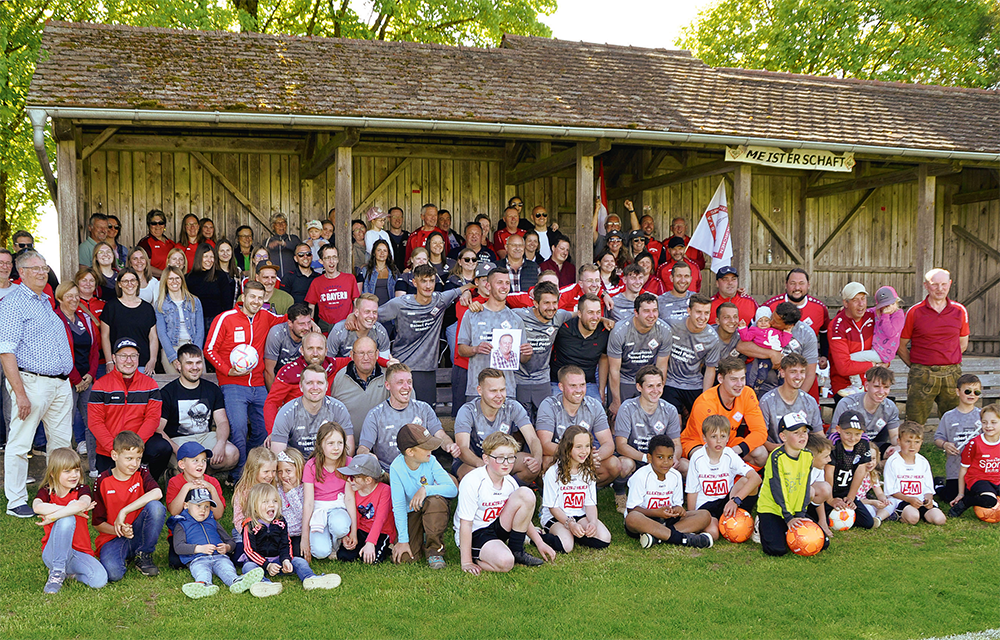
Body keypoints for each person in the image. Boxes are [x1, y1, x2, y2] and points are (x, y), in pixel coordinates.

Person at [0, 250, 74, 518]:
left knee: (61, 443)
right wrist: (19, 394)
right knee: (20, 443)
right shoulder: (13, 303)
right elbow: (6, 352)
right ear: (21, 272)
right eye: (36, 269)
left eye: (44, 267)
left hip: (59, 384)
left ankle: (59, 493)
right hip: (31, 383)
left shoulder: (45, 301)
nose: (43, 273)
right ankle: (16, 500)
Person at [205, 280, 287, 482]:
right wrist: (227, 370)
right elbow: (209, 349)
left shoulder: (266, 317)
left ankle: (251, 469)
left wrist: (307, 321)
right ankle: (238, 476)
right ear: (243, 297)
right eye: (252, 297)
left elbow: (287, 318)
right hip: (232, 384)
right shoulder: (226, 318)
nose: (256, 301)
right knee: (239, 427)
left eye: (260, 298)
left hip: (258, 384)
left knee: (265, 428)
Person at [456, 432, 556, 573]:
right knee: (506, 563)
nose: (506, 463)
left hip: (497, 526)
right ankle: (478, 557)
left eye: (510, 458)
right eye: (500, 458)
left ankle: (517, 550)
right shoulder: (472, 481)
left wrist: (540, 543)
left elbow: (524, 515)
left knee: (526, 494)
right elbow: (465, 523)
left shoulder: (509, 481)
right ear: (486, 459)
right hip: (476, 531)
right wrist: (466, 562)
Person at [377, 265, 470, 405]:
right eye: (423, 281)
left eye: (431, 281)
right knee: (402, 411)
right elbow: (372, 316)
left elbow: (465, 287)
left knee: (426, 413)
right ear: (414, 282)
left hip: (428, 369)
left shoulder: (440, 300)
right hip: (403, 366)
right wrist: (353, 318)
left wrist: (467, 291)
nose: (428, 285)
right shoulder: (400, 303)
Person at [241, 482, 341, 597]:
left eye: (275, 501)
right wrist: (267, 565)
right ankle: (263, 584)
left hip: (278, 561)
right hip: (258, 562)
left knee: (299, 561)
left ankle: (311, 578)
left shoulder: (280, 522)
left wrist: (286, 560)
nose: (271, 505)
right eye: (265, 502)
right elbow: (249, 550)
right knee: (248, 568)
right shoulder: (249, 525)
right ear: (254, 506)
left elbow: (286, 543)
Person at [89, 337, 169, 479]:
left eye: (133, 356)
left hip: (140, 442)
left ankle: (148, 483)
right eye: (123, 356)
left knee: (162, 448)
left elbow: (152, 419)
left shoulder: (150, 385)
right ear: (114, 358)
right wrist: (114, 449)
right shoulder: (100, 385)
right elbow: (95, 423)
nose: (129, 360)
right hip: (111, 448)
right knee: (108, 489)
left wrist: (136, 448)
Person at [899, 268, 970, 425]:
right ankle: (912, 449)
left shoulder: (960, 311)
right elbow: (901, 345)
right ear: (926, 285)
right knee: (914, 421)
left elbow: (963, 344)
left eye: (944, 284)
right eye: (935, 284)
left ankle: (953, 449)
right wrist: (916, 367)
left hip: (952, 374)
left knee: (955, 421)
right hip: (922, 375)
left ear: (950, 284)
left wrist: (947, 358)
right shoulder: (914, 312)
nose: (940, 289)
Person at [92, 430, 166, 580]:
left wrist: (124, 511)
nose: (134, 464)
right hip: (114, 536)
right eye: (129, 458)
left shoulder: (142, 472)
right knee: (113, 574)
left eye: (138, 458)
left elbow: (157, 493)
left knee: (156, 507)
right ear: (114, 456)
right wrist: (119, 530)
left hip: (140, 532)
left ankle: (144, 553)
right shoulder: (102, 481)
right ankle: (126, 553)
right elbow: (97, 524)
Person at [33, 448, 108, 593]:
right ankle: (57, 572)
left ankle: (70, 575)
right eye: (67, 471)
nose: (74, 475)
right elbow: (37, 507)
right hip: (53, 553)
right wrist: (70, 509)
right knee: (67, 518)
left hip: (78, 553)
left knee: (99, 580)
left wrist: (53, 516)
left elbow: (82, 504)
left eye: (76, 470)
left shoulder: (82, 489)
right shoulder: (46, 491)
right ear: (53, 473)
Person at [358, 363, 459, 471]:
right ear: (388, 386)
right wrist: (368, 455)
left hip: (422, 469)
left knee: (452, 484)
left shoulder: (424, 409)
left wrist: (450, 445)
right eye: (400, 382)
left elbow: (440, 435)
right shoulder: (376, 414)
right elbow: (363, 448)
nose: (406, 387)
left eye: (409, 382)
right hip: (388, 473)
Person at [536, 365, 624, 487]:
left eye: (582, 385)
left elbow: (608, 444)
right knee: (546, 462)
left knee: (614, 464)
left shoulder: (594, 405)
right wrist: (576, 455)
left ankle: (587, 492)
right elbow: (544, 445)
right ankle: (549, 496)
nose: (579, 390)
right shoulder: (549, 405)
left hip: (584, 457)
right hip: (561, 458)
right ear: (561, 387)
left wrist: (594, 457)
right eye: (573, 386)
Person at [157, 345, 240, 472]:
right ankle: (182, 472)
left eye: (198, 363)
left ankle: (203, 473)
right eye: (189, 363)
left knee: (232, 454)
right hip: (179, 440)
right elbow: (159, 429)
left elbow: (222, 421)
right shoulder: (168, 393)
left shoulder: (212, 389)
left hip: (205, 437)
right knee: (189, 462)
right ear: (178, 365)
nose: (195, 367)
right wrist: (178, 450)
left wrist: (221, 443)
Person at [756, 413, 829, 556]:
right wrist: (789, 518)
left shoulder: (807, 456)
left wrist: (800, 514)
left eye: (804, 432)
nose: (802, 436)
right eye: (796, 433)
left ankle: (785, 526)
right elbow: (778, 489)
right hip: (773, 509)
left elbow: (804, 487)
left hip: (794, 509)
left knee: (823, 543)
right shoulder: (776, 457)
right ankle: (760, 524)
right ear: (783, 437)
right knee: (776, 550)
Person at [453, 368, 543, 484]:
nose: (499, 395)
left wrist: (537, 459)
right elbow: (462, 448)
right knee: (474, 477)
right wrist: (484, 465)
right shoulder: (467, 411)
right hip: (474, 461)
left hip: (505, 458)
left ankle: (509, 491)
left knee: (530, 467)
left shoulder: (513, 406)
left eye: (502, 390)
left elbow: (532, 438)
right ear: (480, 391)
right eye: (493, 391)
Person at [170, 487, 262, 599]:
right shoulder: (181, 524)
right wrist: (200, 549)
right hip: (198, 559)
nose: (203, 510)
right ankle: (203, 585)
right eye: (198, 505)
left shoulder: (213, 522)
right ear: (186, 505)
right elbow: (178, 547)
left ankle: (236, 581)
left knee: (227, 569)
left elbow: (230, 541)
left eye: (207, 506)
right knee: (201, 571)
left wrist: (227, 548)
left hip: (220, 557)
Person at [624, 434, 713, 549]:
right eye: (660, 457)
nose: (666, 462)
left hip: (667, 521)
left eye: (670, 457)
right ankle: (683, 539)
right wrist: (656, 513)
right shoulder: (640, 476)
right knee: (632, 518)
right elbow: (632, 509)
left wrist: (678, 509)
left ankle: (657, 537)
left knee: (704, 515)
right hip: (645, 519)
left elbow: (677, 504)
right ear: (650, 458)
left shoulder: (675, 476)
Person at [389, 423, 459, 568]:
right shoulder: (396, 467)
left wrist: (426, 489)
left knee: (435, 501)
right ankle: (420, 537)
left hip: (431, 506)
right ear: (410, 452)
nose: (431, 450)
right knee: (406, 558)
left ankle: (435, 550)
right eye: (426, 447)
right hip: (411, 511)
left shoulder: (431, 461)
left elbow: (453, 490)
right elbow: (399, 506)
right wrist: (403, 540)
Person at [681, 356, 768, 469]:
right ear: (721, 379)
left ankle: (739, 481)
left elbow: (760, 432)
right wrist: (730, 454)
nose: (739, 384)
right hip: (699, 442)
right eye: (734, 379)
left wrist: (739, 449)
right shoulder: (705, 403)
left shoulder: (747, 393)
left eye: (742, 378)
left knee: (761, 454)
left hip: (729, 441)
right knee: (707, 462)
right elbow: (710, 442)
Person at [685, 415, 762, 540]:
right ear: (704, 438)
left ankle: (742, 515)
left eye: (723, 436)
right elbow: (692, 491)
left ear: (728, 438)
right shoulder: (698, 458)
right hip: (706, 505)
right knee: (714, 533)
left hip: (727, 500)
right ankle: (697, 537)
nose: (718, 441)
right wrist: (691, 516)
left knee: (748, 480)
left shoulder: (729, 454)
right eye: (713, 437)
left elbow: (756, 478)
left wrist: (735, 500)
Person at [458, 268, 529, 403]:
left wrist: (527, 353)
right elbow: (461, 350)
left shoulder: (515, 319)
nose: (504, 287)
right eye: (499, 282)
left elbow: (523, 359)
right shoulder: (472, 314)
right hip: (477, 389)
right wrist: (475, 349)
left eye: (507, 283)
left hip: (506, 390)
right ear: (488, 286)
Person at [539, 425, 612, 554]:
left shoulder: (587, 471)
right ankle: (537, 536)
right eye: (578, 447)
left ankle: (574, 535)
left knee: (604, 538)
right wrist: (570, 524)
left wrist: (593, 522)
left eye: (587, 446)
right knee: (566, 546)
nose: (584, 451)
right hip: (557, 516)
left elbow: (590, 503)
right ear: (567, 448)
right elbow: (553, 508)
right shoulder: (553, 472)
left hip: (579, 514)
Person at [54, 281, 100, 475]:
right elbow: (59, 351)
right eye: (69, 295)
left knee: (93, 424)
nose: (74, 299)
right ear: (60, 298)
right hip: (65, 380)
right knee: (64, 426)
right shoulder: (55, 319)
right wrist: (76, 379)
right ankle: (66, 471)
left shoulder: (84, 318)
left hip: (86, 379)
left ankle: (94, 467)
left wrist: (90, 375)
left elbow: (94, 349)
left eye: (76, 295)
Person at [513, 281, 573, 420]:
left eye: (554, 302)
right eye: (546, 303)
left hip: (543, 379)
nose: (551, 308)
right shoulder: (517, 315)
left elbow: (581, 314)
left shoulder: (559, 316)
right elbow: (495, 312)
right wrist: (477, 305)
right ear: (535, 303)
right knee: (519, 426)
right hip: (519, 379)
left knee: (545, 422)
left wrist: (603, 319)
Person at [263, 331, 350, 426]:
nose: (315, 353)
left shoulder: (332, 365)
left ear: (326, 351)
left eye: (319, 348)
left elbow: (360, 360)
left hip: (326, 425)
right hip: (297, 426)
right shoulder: (289, 372)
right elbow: (271, 403)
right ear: (302, 350)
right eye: (310, 348)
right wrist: (272, 432)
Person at [608, 293, 672, 415]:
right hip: (624, 378)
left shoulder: (664, 330)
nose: (651, 315)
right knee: (618, 417)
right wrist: (616, 401)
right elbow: (614, 370)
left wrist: (657, 391)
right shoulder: (620, 331)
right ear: (636, 313)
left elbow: (662, 366)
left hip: (648, 379)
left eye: (655, 311)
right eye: (646, 311)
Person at [270, 365, 354, 458]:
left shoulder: (338, 409)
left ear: (326, 386)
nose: (315, 387)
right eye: (309, 383)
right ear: (301, 386)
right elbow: (278, 455)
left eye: (320, 383)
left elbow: (348, 450)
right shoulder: (287, 412)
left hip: (329, 464)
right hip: (297, 466)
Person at [739, 302, 819, 399]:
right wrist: (771, 354)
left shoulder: (807, 335)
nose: (771, 322)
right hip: (761, 385)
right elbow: (741, 346)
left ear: (789, 325)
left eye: (776, 322)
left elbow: (810, 372)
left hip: (789, 388)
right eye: (772, 317)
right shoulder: (764, 323)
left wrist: (797, 398)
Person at [614, 365, 683, 476]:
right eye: (650, 386)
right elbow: (621, 445)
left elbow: (676, 444)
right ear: (639, 387)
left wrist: (672, 458)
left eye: (659, 385)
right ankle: (620, 489)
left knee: (685, 466)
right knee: (624, 464)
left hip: (661, 458)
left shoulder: (670, 410)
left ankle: (679, 490)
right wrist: (647, 458)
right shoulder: (627, 407)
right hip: (635, 458)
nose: (655, 390)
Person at [299, 421, 354, 562]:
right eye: (330, 443)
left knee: (340, 526)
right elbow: (309, 503)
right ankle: (326, 541)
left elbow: (349, 498)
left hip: (338, 507)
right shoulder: (311, 466)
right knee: (321, 552)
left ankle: (337, 540)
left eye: (340, 443)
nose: (336, 448)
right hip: (319, 510)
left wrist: (353, 530)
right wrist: (304, 538)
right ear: (320, 445)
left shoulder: (348, 463)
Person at [662, 294, 722, 419]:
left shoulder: (712, 338)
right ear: (689, 311)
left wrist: (704, 398)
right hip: (671, 381)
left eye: (706, 313)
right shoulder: (672, 324)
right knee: (674, 422)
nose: (702, 317)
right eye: (698, 312)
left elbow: (710, 369)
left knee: (702, 418)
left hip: (694, 383)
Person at [763, 268, 830, 379]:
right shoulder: (771, 306)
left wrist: (824, 355)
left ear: (808, 285)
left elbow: (824, 332)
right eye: (792, 283)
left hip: (808, 371)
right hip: (776, 374)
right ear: (786, 284)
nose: (797, 288)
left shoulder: (819, 308)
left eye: (801, 283)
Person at [841, 285, 905, 396]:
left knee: (851, 359)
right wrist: (847, 311)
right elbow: (866, 313)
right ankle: (869, 374)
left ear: (896, 302)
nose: (887, 308)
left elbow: (890, 333)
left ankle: (857, 385)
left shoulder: (898, 315)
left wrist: (885, 315)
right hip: (875, 349)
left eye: (891, 305)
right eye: (884, 306)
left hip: (883, 353)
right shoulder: (877, 311)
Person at [335, 453, 396, 564]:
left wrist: (370, 543)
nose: (349, 481)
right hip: (362, 530)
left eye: (354, 477)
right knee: (344, 556)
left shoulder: (385, 490)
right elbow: (355, 514)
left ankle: (388, 548)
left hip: (382, 531)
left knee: (372, 560)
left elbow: (380, 520)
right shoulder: (355, 490)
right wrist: (351, 535)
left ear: (368, 480)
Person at [550, 294, 611, 402]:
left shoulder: (604, 332)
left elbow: (603, 358)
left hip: (587, 383)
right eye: (590, 312)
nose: (596, 317)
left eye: (598, 312)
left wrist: (601, 389)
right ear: (579, 313)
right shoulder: (564, 328)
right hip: (559, 383)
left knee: (596, 410)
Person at [824, 410, 879, 530]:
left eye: (857, 434)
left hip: (846, 490)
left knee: (867, 522)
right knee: (827, 517)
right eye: (848, 433)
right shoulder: (833, 443)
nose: (852, 438)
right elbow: (829, 472)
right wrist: (830, 499)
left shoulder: (863, 443)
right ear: (838, 429)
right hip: (829, 490)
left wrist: (851, 497)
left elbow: (861, 470)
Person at [884, 421, 946, 526]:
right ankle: (898, 515)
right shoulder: (893, 462)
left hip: (920, 500)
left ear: (921, 442)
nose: (912, 446)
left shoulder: (923, 462)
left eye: (917, 442)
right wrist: (909, 499)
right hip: (901, 500)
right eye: (908, 441)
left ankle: (922, 513)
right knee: (913, 518)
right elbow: (892, 491)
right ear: (899, 441)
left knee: (940, 519)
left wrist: (929, 499)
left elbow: (928, 488)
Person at [831, 365, 900, 458]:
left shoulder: (890, 407)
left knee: (897, 452)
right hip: (847, 444)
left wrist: (901, 446)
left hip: (872, 445)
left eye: (886, 387)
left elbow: (895, 436)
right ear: (867, 386)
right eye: (876, 386)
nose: (881, 391)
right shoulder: (847, 404)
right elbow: (834, 433)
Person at [758, 354, 824, 451]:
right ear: (782, 373)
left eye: (802, 372)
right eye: (793, 372)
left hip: (803, 452)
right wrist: (786, 450)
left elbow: (819, 434)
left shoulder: (810, 401)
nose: (798, 377)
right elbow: (760, 437)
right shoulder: (767, 400)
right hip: (775, 452)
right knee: (760, 452)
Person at [935, 374, 984, 504]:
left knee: (975, 495)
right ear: (958, 392)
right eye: (967, 391)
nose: (972, 394)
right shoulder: (949, 416)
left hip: (977, 468)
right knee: (950, 497)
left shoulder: (982, 415)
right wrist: (945, 444)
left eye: (976, 392)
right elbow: (938, 438)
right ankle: (939, 486)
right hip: (955, 468)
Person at [100, 268, 158, 376]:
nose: (129, 284)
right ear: (120, 284)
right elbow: (105, 336)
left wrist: (153, 360)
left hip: (142, 365)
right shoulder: (111, 307)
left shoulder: (147, 308)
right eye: (125, 281)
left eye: (133, 280)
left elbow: (153, 337)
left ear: (137, 283)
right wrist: (109, 361)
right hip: (118, 365)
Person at [331, 336, 390, 435]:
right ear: (352, 355)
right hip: (348, 445)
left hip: (381, 445)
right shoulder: (338, 378)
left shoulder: (389, 377)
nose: (366, 358)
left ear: (377, 354)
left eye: (370, 353)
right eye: (361, 353)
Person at [949, 403, 1000, 518]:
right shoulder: (974, 444)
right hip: (979, 480)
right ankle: (967, 501)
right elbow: (963, 469)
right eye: (984, 422)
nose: (988, 426)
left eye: (993, 422)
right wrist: (961, 493)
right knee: (989, 500)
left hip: (997, 479)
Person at [829, 281, 877, 396]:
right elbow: (844, 368)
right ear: (845, 303)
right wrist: (873, 365)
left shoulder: (873, 318)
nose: (861, 304)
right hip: (845, 388)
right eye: (855, 300)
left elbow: (887, 348)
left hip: (872, 385)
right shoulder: (836, 326)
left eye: (863, 298)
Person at [154, 266, 204, 373]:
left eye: (177, 278)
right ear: (165, 281)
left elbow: (200, 329)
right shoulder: (160, 305)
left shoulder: (194, 301)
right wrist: (173, 358)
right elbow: (162, 333)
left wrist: (195, 353)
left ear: (182, 280)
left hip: (192, 345)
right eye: (170, 279)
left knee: (197, 382)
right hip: (172, 348)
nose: (174, 281)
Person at [306, 244, 359, 332]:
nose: (332, 261)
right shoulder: (316, 282)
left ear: (338, 259)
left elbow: (356, 301)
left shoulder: (350, 278)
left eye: (334, 257)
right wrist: (311, 322)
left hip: (347, 327)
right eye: (327, 258)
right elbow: (311, 305)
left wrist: (354, 315)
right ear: (321, 261)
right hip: (325, 329)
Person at [262, 303, 314, 389]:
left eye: (309, 322)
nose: (307, 328)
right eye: (301, 324)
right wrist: (275, 397)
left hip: (300, 383)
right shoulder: (277, 334)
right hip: (278, 380)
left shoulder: (312, 334)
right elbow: (269, 371)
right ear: (290, 323)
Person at [327, 294, 391, 358]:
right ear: (356, 312)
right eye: (367, 311)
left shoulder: (380, 331)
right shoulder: (339, 330)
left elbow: (385, 361)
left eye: (374, 312)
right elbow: (328, 360)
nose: (371, 316)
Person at [358, 239, 399, 308]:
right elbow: (358, 293)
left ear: (388, 253)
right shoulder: (365, 271)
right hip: (371, 310)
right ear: (374, 253)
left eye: (385, 251)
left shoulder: (394, 271)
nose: (382, 253)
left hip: (390, 310)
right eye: (379, 250)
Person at [136, 209, 176, 277]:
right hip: (153, 283)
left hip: (171, 282)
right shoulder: (145, 243)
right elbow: (143, 266)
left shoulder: (171, 243)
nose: (158, 226)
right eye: (154, 223)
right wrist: (166, 274)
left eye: (161, 223)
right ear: (149, 225)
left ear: (164, 225)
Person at [656, 261, 695, 326]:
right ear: (671, 278)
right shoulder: (660, 301)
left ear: (690, 279)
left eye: (686, 276)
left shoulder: (696, 299)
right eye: (679, 276)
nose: (683, 280)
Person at [265, 212, 300, 276]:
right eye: (278, 223)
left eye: (283, 222)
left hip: (292, 277)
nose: (281, 225)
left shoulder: (293, 239)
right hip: (273, 277)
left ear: (286, 225)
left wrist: (282, 243)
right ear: (273, 226)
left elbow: (299, 249)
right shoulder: (267, 242)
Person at [386, 206, 409, 272]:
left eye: (399, 217)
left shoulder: (409, 237)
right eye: (394, 217)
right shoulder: (384, 236)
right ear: (389, 218)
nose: (397, 220)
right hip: (388, 274)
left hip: (406, 274)